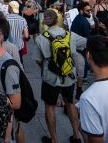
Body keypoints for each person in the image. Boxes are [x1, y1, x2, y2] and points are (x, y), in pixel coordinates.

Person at [35, 9, 86, 143]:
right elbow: (85, 43)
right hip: (69, 74)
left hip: (50, 77)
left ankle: (54, 139)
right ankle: (76, 135)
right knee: (70, 103)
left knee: (49, 106)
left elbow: (39, 61)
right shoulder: (70, 35)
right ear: (57, 20)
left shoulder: (41, 38)